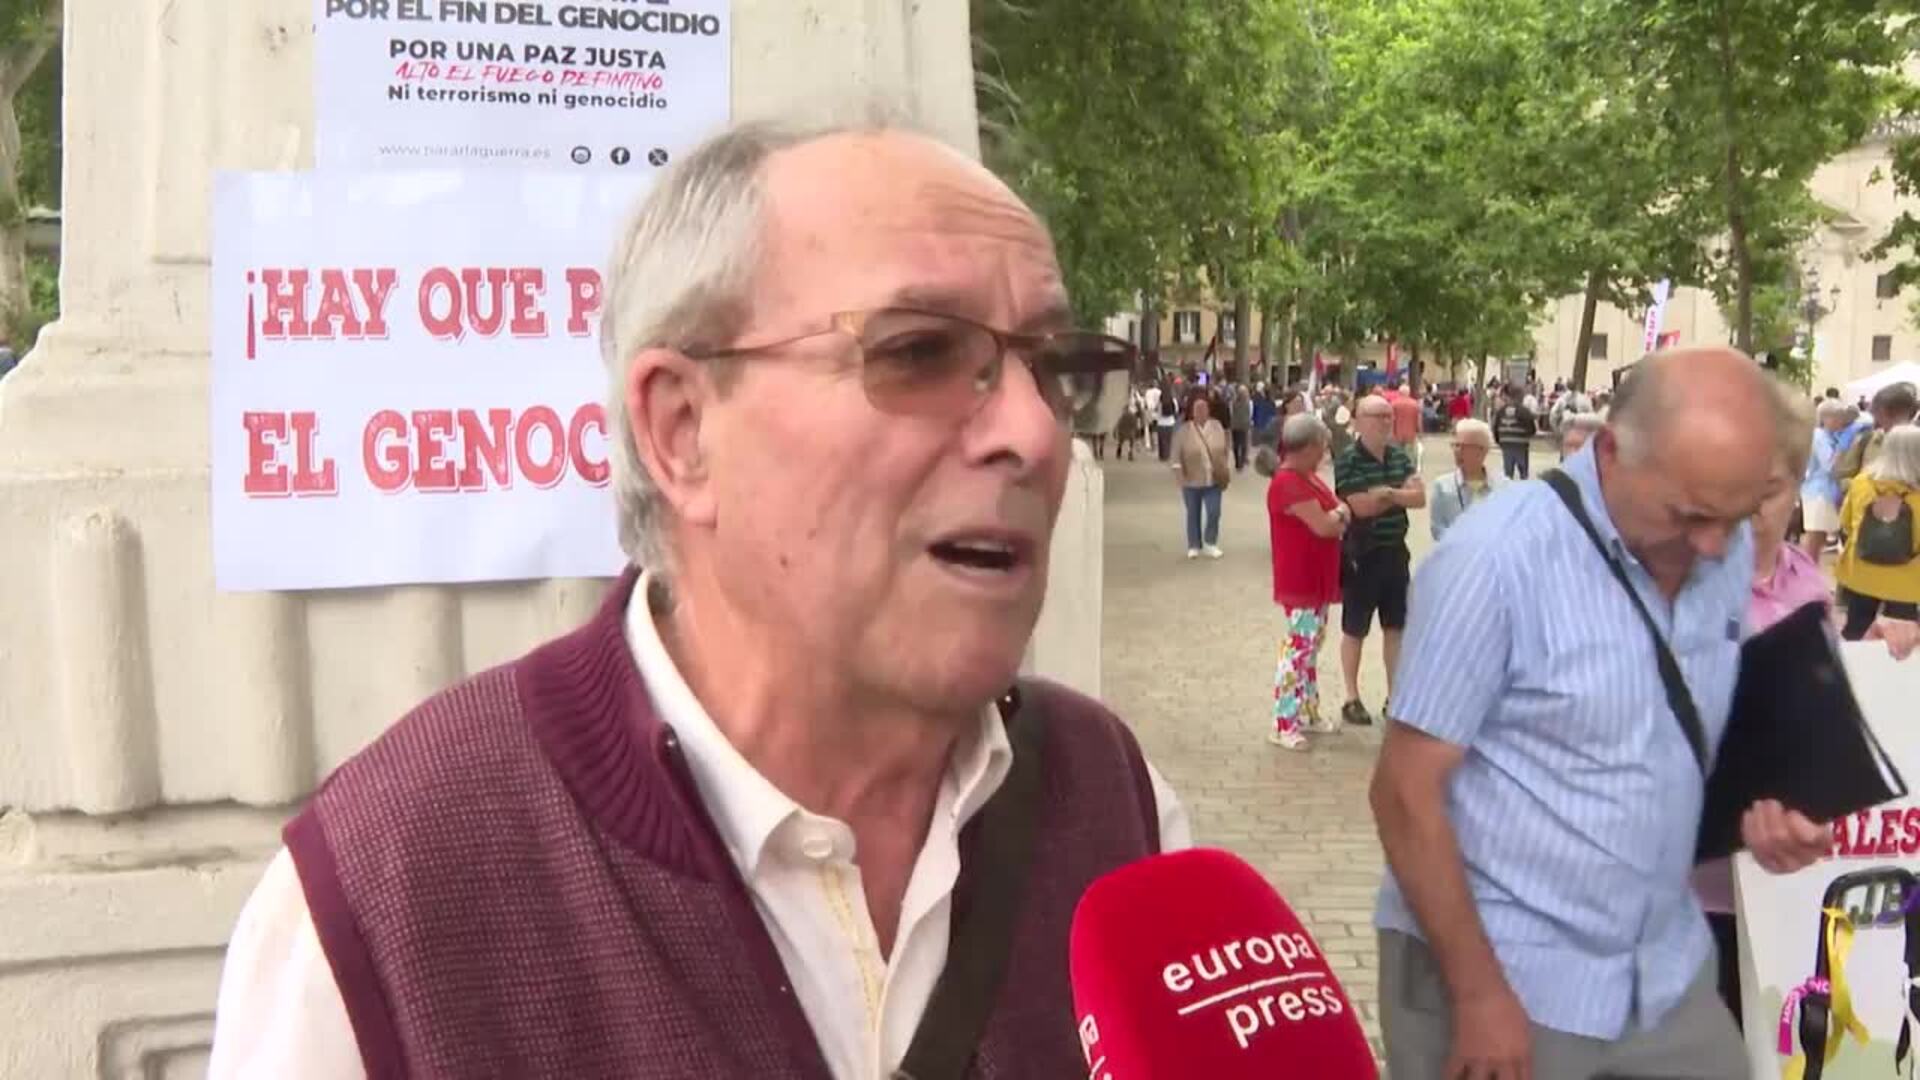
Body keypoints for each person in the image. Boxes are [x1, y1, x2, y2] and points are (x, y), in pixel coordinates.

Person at [205, 118, 1194, 1080]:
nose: (1033, 432)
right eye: (918, 352)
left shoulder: (1114, 804)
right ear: (682, 432)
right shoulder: (392, 895)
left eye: (1053, 369)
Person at [1369, 347, 1829, 1080]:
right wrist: (1478, 994)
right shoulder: (1494, 560)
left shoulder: (1724, 541)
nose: (1715, 545)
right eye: (1691, 515)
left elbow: (1677, 732)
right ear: (1612, 451)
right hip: (1504, 973)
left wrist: (1761, 811)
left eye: (1736, 515)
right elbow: (1402, 791)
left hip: (1664, 972)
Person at [1260, 414, 1350, 750]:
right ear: (1310, 446)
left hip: (1318, 575)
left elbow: (1334, 511)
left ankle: (1308, 711)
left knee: (1310, 647)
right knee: (1297, 649)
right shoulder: (1288, 482)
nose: (1325, 452)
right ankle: (1283, 721)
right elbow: (1325, 525)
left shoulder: (1308, 477)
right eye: (1322, 446)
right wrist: (1339, 515)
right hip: (1300, 577)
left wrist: (1336, 514)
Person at [1334, 394, 1424, 727]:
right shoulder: (1349, 459)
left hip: (1395, 552)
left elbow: (1419, 497)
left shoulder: (1400, 455)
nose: (1387, 422)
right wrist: (1398, 495)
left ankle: (1395, 696)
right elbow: (1361, 507)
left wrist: (1387, 493)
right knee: (1355, 628)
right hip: (1362, 554)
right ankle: (1351, 697)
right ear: (1360, 421)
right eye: (1379, 417)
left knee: (1395, 627)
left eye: (1389, 416)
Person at [1835, 424, 1920, 639]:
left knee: (1856, 629)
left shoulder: (1861, 483)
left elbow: (1845, 523)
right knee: (1901, 638)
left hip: (1861, 571)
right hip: (1907, 580)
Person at [1428, 418, 1506, 541]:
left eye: (1464, 447)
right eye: (1455, 445)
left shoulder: (1502, 486)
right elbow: (1437, 528)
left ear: (1483, 450)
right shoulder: (1442, 486)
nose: (1457, 451)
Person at [1173, 392, 1230, 559]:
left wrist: (1224, 465)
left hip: (1213, 479)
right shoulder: (1183, 430)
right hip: (1191, 479)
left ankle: (1210, 542)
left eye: (1204, 408)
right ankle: (1194, 545)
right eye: (1197, 408)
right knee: (1193, 513)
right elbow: (1175, 456)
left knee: (1214, 512)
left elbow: (1224, 448)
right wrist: (1180, 477)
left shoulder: (1217, 426)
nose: (1201, 411)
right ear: (1191, 411)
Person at [1799, 399, 1856, 557]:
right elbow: (1830, 466)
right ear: (1825, 418)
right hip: (1818, 492)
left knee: (1820, 537)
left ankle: (1810, 568)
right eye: (1837, 416)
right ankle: (1806, 569)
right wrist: (1843, 448)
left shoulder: (1829, 437)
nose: (1841, 421)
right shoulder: (1820, 438)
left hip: (1825, 492)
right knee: (1814, 538)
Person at [1834, 381, 1918, 484]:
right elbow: (1842, 476)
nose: (1876, 422)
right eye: (1877, 414)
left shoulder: (1915, 443)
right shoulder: (1867, 440)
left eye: (1891, 415)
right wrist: (1863, 488)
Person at [1492, 383, 1536, 479]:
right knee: (1523, 472)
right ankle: (1524, 484)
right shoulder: (1524, 411)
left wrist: (1499, 440)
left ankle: (1509, 484)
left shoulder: (1501, 412)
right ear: (1519, 396)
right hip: (1521, 444)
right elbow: (1532, 429)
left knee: (1508, 473)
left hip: (1506, 443)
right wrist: (1527, 436)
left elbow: (1495, 427)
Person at [1388, 377, 1424, 469]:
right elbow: (1418, 420)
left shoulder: (1393, 404)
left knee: (1397, 455)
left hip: (1397, 434)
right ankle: (1409, 470)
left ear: (1399, 393)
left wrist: (1390, 433)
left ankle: (1398, 469)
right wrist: (1420, 432)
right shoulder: (1414, 404)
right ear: (1408, 393)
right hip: (1410, 435)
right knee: (1410, 455)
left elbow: (1391, 420)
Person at [1229, 382, 1254, 470]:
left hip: (1235, 425)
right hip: (1244, 425)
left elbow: (1231, 413)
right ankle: (1242, 462)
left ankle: (1237, 462)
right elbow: (1250, 413)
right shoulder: (1249, 402)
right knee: (1243, 444)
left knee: (1236, 444)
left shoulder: (1233, 402)